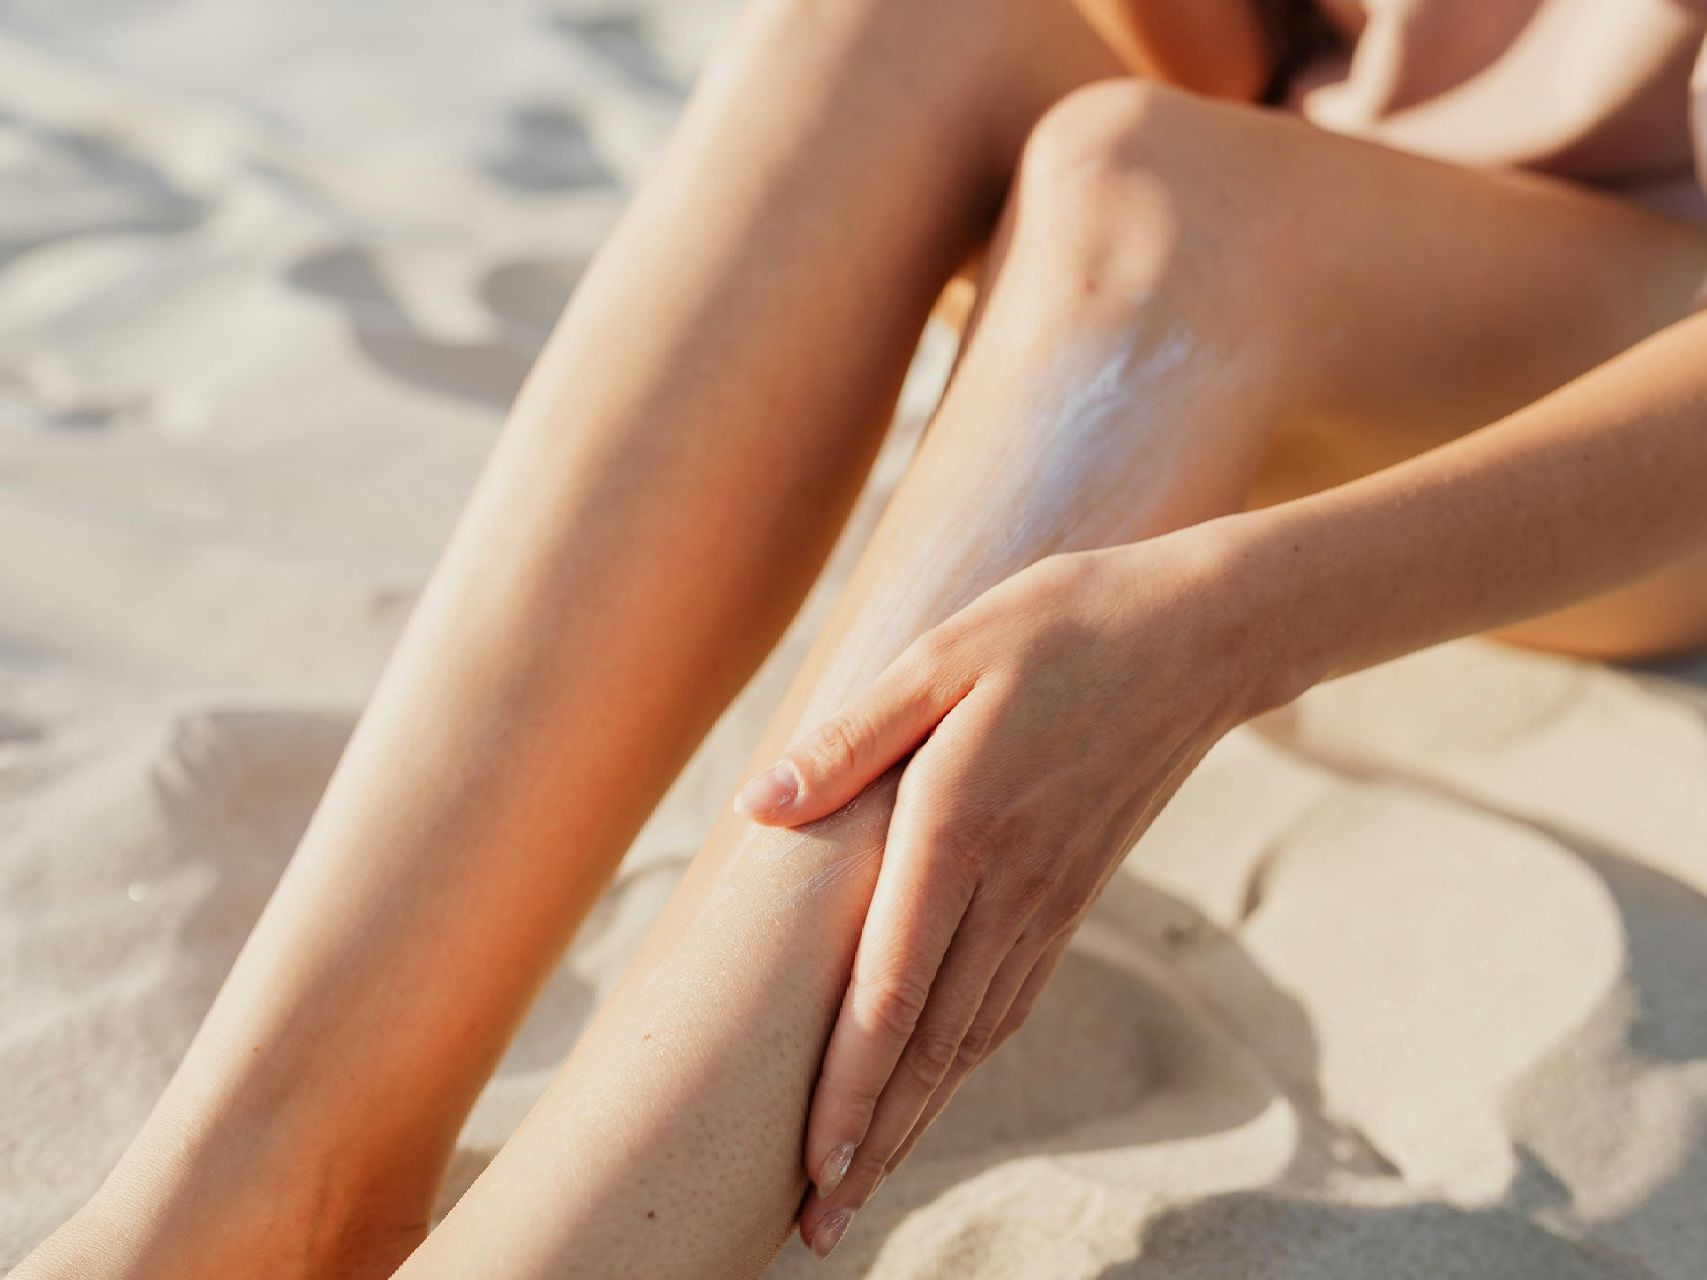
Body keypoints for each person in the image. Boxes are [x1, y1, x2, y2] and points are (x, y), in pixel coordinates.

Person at [16, 0, 1707, 1275]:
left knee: (1165, 198)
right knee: (893, 22)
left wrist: (1234, 621)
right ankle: (261, 1182)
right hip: (1379, 181)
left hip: (1638, 409)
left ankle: (584, 1252)